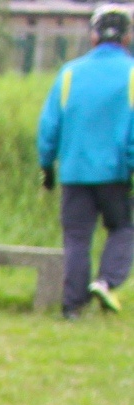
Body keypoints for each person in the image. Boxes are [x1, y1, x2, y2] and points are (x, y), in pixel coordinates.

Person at [38, 3, 134, 317]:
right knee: (122, 228)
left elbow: (50, 124)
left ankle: (71, 306)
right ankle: (106, 281)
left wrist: (47, 165)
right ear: (127, 37)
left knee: (77, 238)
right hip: (116, 172)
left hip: (74, 170)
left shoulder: (69, 73)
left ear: (93, 36)